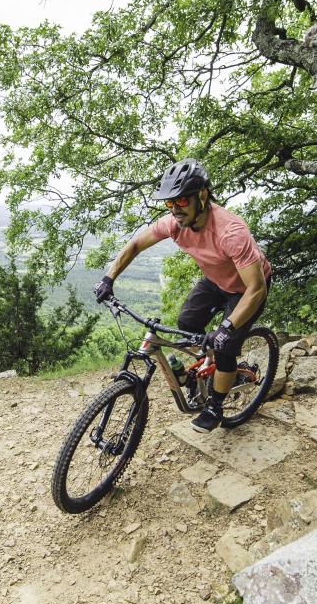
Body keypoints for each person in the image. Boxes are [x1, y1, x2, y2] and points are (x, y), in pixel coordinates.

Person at [93, 159, 271, 433]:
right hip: (215, 280)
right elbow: (136, 244)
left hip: (246, 289)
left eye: (181, 202)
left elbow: (256, 289)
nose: (175, 209)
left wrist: (226, 328)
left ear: (202, 195)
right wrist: (109, 278)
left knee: (225, 346)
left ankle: (216, 403)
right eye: (169, 203)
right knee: (187, 324)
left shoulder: (231, 232)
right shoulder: (175, 224)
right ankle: (209, 368)